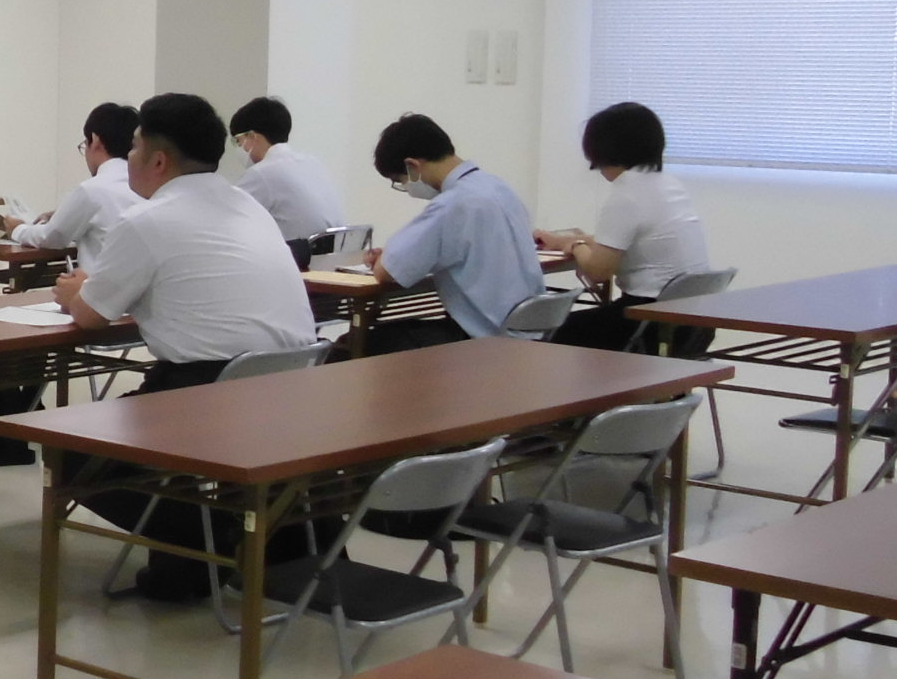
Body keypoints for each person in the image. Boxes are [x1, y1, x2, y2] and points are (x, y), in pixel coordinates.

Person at [53, 92, 320, 598]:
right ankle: (240, 544)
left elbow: (89, 315)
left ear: (158, 160)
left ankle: (205, 549)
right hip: (292, 384)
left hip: (206, 393)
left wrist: (74, 292)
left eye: (133, 148)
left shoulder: (148, 220)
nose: (127, 158)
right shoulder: (248, 205)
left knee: (68, 453)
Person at [542, 102, 711, 350]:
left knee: (548, 334)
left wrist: (576, 245)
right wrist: (567, 241)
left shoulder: (626, 195)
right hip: (692, 323)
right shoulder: (667, 184)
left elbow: (598, 272)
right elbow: (636, 242)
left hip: (648, 322)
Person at [364, 114, 543, 348]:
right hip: (528, 332)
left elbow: (387, 271)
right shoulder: (498, 187)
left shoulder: (451, 205)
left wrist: (383, 259)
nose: (406, 187)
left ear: (412, 166)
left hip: (486, 342)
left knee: (361, 343)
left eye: (401, 180)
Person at [0, 101, 142, 274]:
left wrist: (17, 229)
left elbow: (51, 237)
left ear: (95, 141)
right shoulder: (145, 185)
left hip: (97, 286)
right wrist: (62, 214)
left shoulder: (92, 190)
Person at [228, 96, 345, 256]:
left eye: (238, 141)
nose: (239, 148)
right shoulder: (312, 163)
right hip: (334, 258)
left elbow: (226, 220)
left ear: (253, 136)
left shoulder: (262, 173)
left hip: (300, 261)